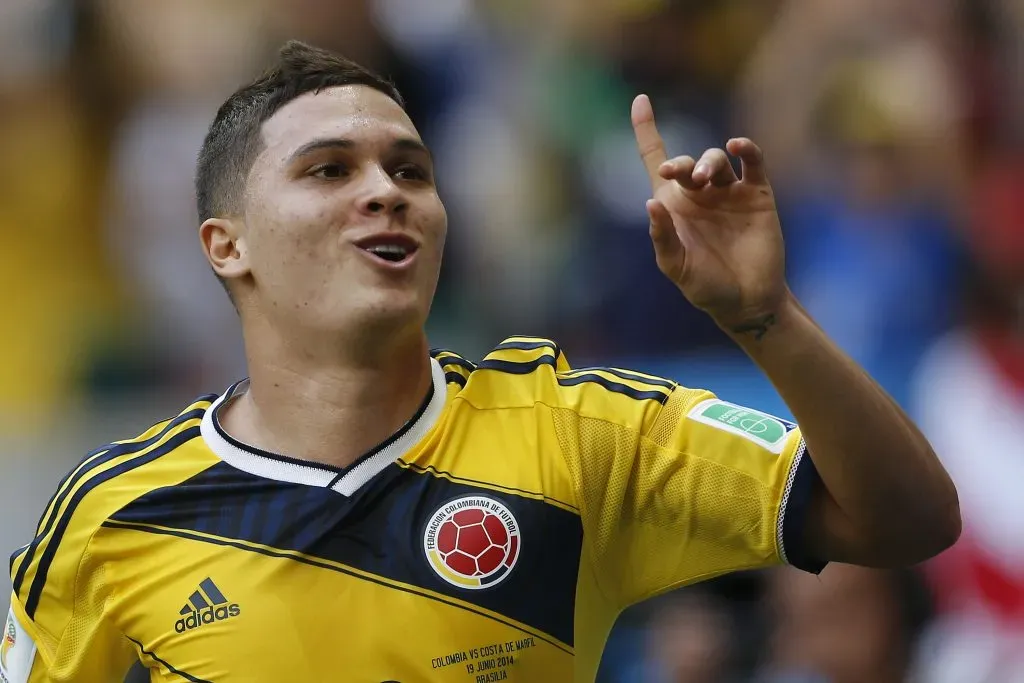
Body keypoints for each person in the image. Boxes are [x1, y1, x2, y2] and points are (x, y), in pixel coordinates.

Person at [3, 41, 960, 683]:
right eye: (330, 169)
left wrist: (767, 318)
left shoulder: (577, 434)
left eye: (410, 169)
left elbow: (908, 518)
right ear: (226, 244)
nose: (386, 192)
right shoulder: (109, 518)